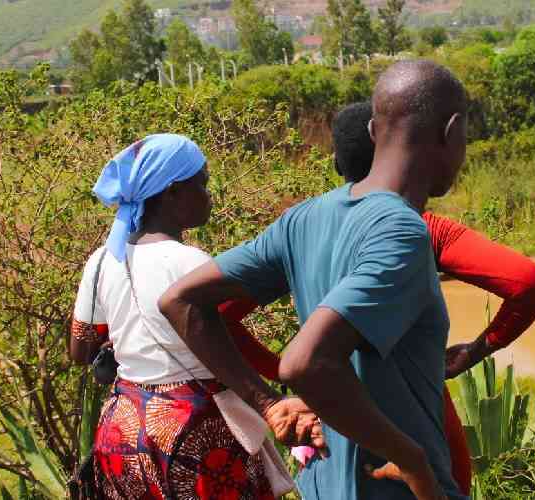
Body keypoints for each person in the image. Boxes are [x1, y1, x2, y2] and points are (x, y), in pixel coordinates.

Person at [159, 60, 470, 500]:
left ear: (372, 131)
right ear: (452, 132)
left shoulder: (304, 218)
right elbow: (305, 362)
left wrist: (269, 404)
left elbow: (180, 300)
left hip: (324, 487)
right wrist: (413, 461)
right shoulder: (402, 231)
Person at [69, 134, 323, 499]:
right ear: (172, 193)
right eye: (201, 184)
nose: (209, 195)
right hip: (192, 429)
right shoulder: (191, 264)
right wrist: (271, 396)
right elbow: (222, 339)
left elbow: (81, 350)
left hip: (124, 429)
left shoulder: (101, 261)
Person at [329, 101, 535, 493]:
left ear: (336, 164)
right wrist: (478, 349)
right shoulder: (419, 227)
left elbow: (222, 310)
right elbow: (529, 283)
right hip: (417, 419)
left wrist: (278, 383)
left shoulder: (303, 228)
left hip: (331, 414)